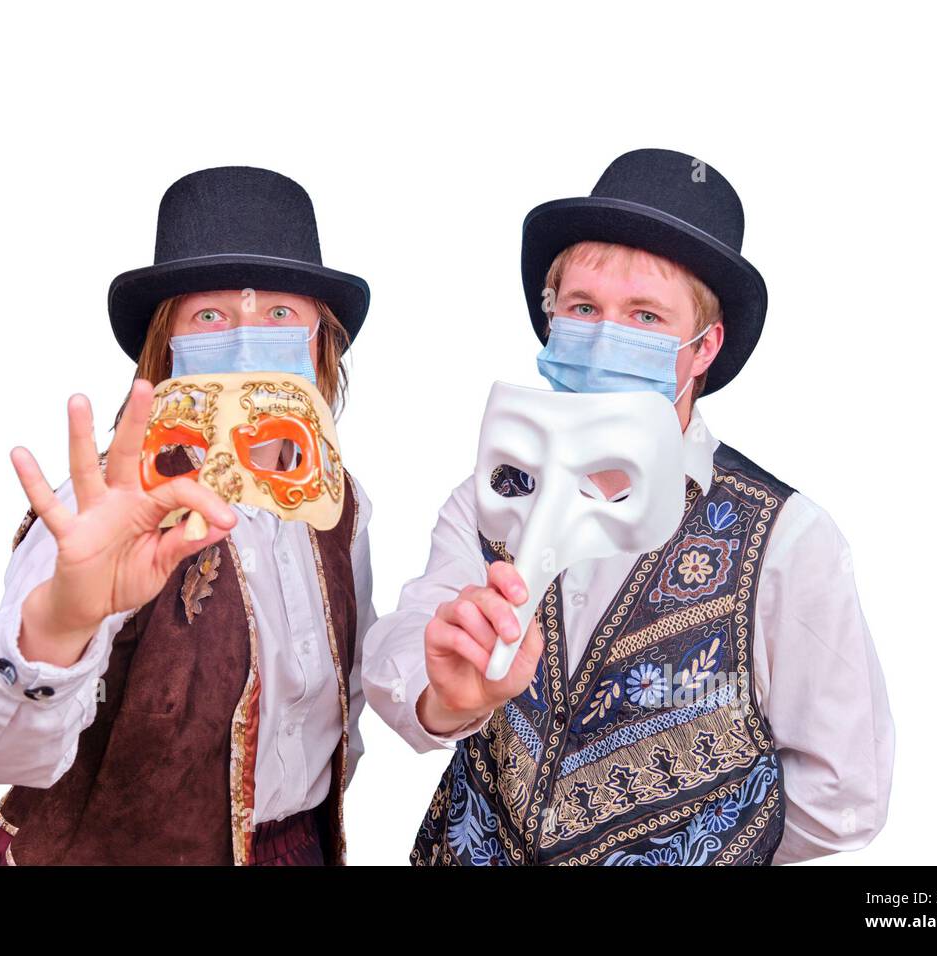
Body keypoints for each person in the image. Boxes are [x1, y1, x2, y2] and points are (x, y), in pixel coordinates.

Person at [363, 148, 894, 865]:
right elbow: (403, 657)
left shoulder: (789, 543)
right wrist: (446, 702)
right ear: (552, 322)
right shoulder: (490, 496)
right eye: (584, 308)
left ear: (703, 348)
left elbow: (844, 795)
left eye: (645, 315)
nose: (608, 335)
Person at [0, 166, 377, 865]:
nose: (246, 337)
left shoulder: (338, 503)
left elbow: (341, 708)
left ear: (320, 340)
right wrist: (58, 627)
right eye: (211, 316)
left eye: (279, 314)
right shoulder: (104, 507)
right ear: (167, 344)